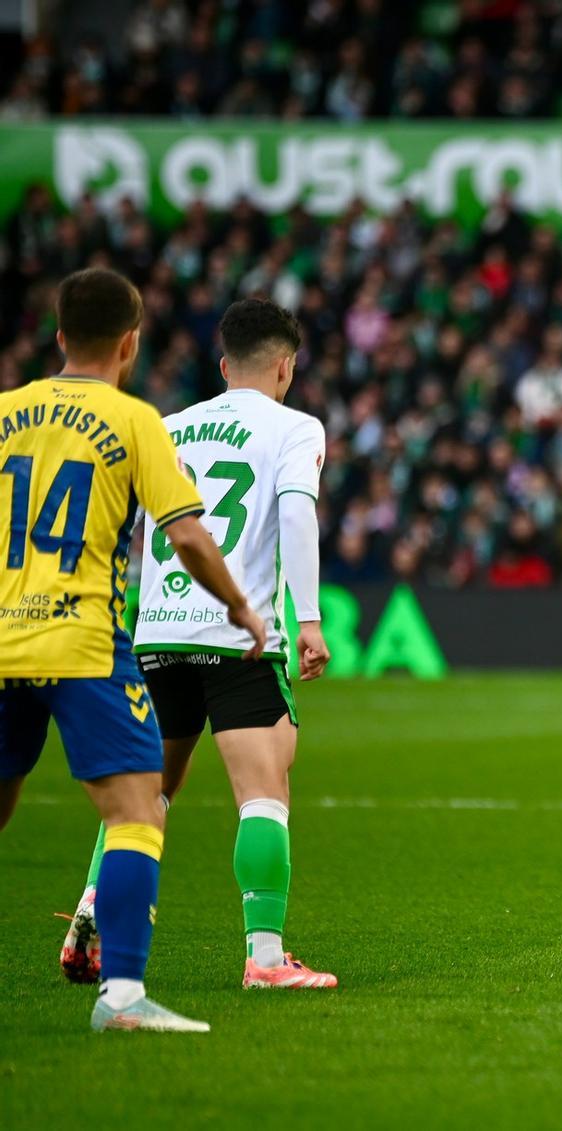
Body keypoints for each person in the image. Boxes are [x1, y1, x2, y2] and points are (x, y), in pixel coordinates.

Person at [0, 268, 267, 1031]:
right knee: (138, 811)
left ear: (57, 336)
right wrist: (243, 608)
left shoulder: (4, 413)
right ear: (130, 341)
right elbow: (185, 534)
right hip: (83, 641)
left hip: (3, 639)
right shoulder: (134, 419)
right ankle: (121, 996)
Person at [60, 298, 336, 990]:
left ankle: (92, 909)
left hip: (157, 628)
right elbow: (298, 513)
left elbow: (138, 529)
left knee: (144, 793)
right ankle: (266, 960)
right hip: (239, 636)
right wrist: (307, 620)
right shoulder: (296, 427)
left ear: (221, 365)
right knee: (263, 792)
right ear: (285, 366)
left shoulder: (170, 426)